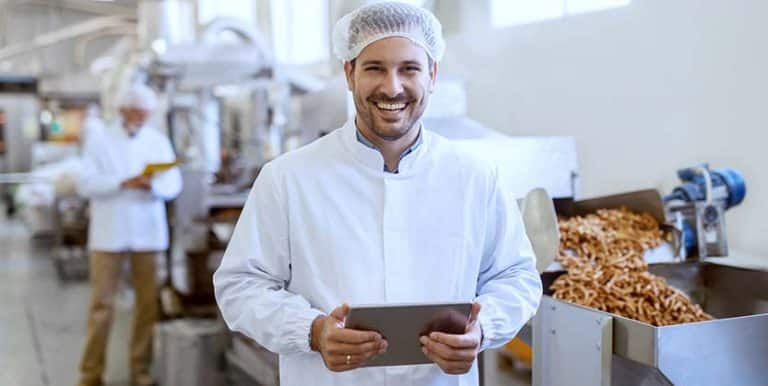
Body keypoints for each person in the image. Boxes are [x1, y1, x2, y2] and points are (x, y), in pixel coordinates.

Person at [213, 2, 542, 386]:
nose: (392, 87)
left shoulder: (474, 177)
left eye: (409, 68)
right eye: (375, 68)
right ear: (349, 73)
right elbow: (241, 285)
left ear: (432, 75)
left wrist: (482, 328)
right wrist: (313, 331)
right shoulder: (288, 178)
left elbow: (516, 275)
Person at [76, 83, 181, 386]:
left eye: (145, 114)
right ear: (122, 110)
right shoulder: (100, 140)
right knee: (101, 307)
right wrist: (123, 183)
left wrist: (153, 185)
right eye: (136, 112)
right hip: (108, 235)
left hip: (148, 235)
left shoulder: (158, 141)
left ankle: (141, 371)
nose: (141, 118)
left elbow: (173, 185)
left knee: (147, 306)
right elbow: (85, 184)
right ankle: (90, 374)